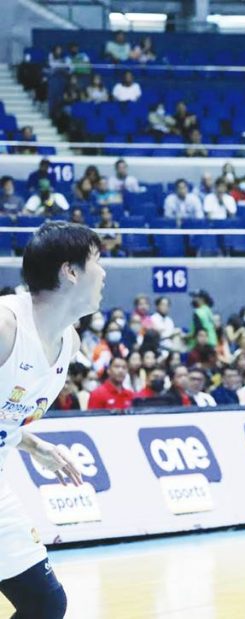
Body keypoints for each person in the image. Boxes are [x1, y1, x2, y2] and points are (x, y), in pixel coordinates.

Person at [0, 222, 105, 617]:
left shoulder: (68, 343)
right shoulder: (6, 326)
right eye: (97, 261)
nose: (105, 272)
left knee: (45, 604)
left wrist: (34, 443)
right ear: (71, 271)